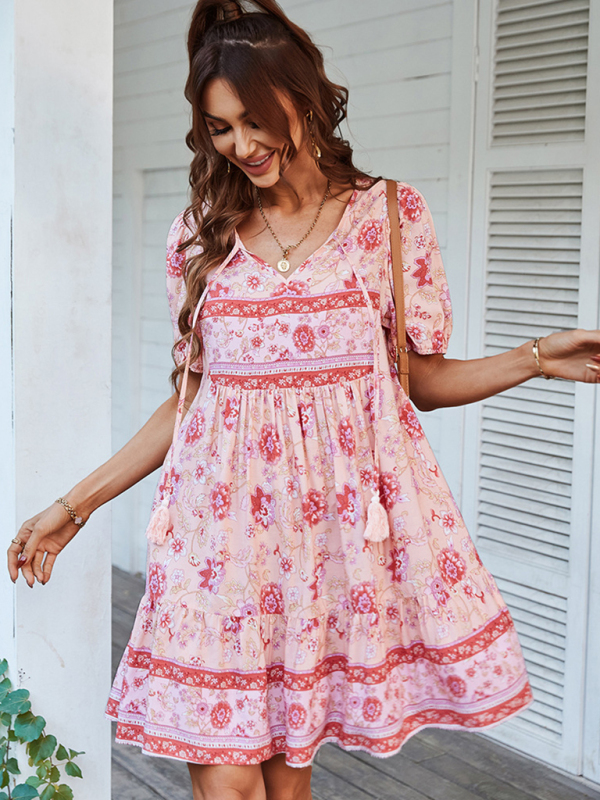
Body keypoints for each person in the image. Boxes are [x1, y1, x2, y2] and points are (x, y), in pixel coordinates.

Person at [7, 1, 600, 798]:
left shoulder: (390, 218)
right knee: (227, 785)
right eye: (220, 128)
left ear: (304, 96)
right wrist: (74, 506)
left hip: (326, 552)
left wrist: (534, 359)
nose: (241, 145)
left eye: (255, 119)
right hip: (217, 550)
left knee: (287, 789)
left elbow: (421, 382)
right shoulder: (200, 234)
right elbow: (189, 404)